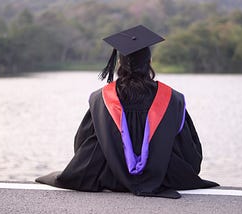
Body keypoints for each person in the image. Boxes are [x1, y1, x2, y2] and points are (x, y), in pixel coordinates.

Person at [36, 25, 219, 199]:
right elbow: (190, 153)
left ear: (119, 64)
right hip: (164, 176)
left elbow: (81, 146)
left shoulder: (100, 99)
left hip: (109, 176)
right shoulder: (172, 99)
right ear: (149, 62)